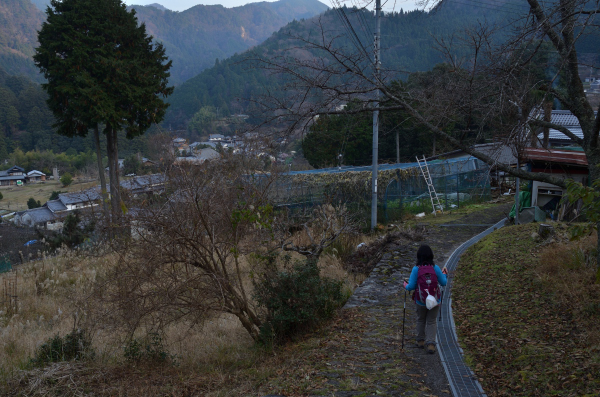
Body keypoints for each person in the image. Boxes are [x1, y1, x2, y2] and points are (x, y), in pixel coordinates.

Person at [403, 244, 448, 354]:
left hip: (420, 300)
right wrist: (444, 274)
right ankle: (431, 344)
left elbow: (411, 286)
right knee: (432, 321)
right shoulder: (435, 268)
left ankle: (420, 341)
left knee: (421, 319)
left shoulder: (416, 269)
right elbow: (444, 282)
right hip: (434, 300)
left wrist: (404, 284)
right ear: (431, 256)